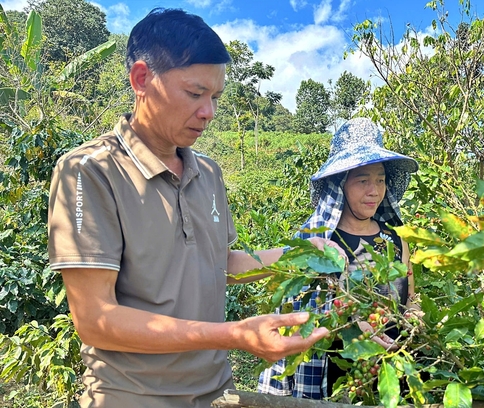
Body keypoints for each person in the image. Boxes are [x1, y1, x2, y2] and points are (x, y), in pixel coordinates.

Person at [47, 8, 332, 407]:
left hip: (216, 391)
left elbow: (214, 264)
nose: (208, 113)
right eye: (195, 94)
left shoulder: (208, 173)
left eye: (215, 97)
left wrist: (300, 256)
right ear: (142, 79)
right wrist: (233, 335)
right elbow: (96, 321)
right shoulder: (90, 171)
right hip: (132, 396)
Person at [258, 117, 420, 399]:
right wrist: (349, 326)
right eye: (363, 180)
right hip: (336, 373)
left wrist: (415, 314)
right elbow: (299, 314)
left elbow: (410, 297)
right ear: (341, 184)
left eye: (381, 180)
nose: (375, 191)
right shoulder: (318, 243)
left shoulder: (396, 240)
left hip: (391, 368)